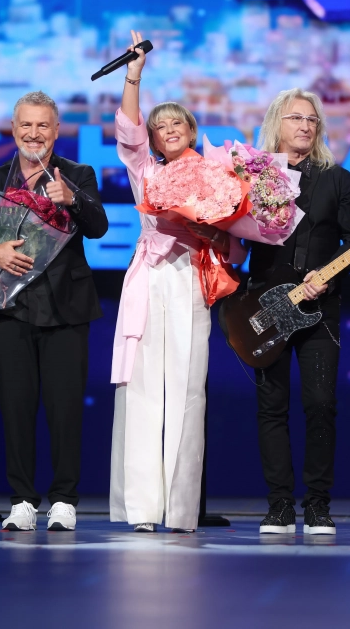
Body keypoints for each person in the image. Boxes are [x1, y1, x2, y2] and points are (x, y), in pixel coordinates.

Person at [109, 31, 246, 532]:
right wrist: (134, 74)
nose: (167, 129)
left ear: (191, 131)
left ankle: (182, 510)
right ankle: (143, 509)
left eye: (176, 123)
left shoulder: (216, 175)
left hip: (191, 278)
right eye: (159, 125)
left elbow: (235, 239)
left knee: (188, 392)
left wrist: (214, 232)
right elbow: (128, 129)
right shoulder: (144, 171)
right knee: (143, 390)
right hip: (149, 279)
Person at [0, 91, 107, 532]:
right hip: (9, 307)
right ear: (13, 128)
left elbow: (98, 227)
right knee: (16, 409)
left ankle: (64, 500)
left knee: (65, 411)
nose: (34, 133)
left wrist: (73, 200)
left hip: (66, 308)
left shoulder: (77, 174)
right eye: (26, 124)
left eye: (43, 125)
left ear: (57, 131)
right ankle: (22, 500)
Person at [248, 88, 350, 535]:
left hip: (320, 308)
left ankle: (317, 505)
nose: (305, 125)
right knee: (271, 407)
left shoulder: (339, 180)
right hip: (265, 305)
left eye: (312, 119)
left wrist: (328, 276)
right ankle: (279, 506)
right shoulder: (253, 176)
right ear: (276, 123)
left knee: (320, 404)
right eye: (296, 117)